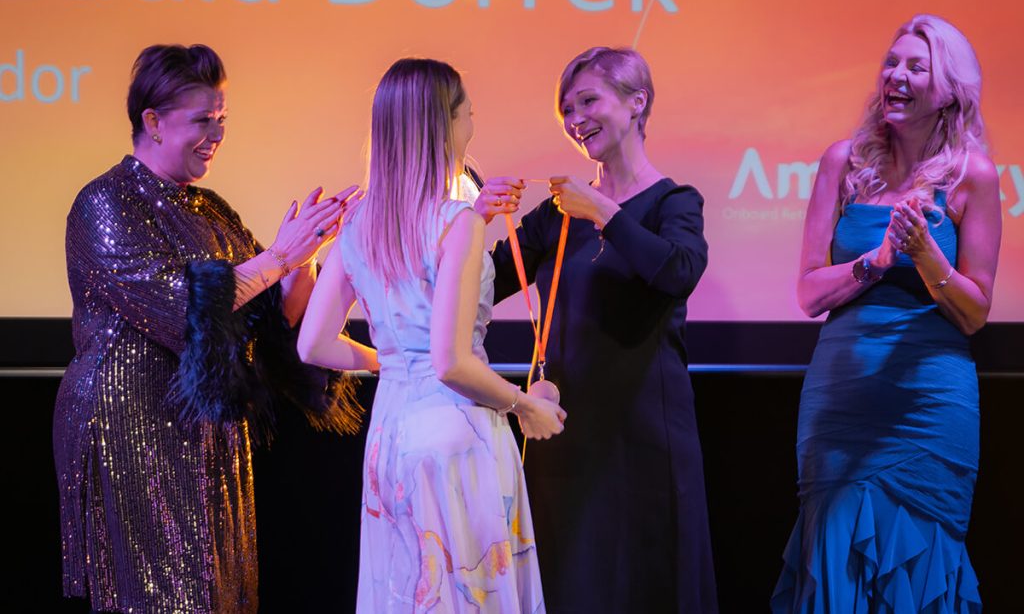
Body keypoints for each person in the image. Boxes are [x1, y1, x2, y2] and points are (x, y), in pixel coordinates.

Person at [53, 44, 362, 614]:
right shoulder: (105, 202)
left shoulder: (210, 209)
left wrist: (308, 256)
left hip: (204, 435)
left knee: (214, 592)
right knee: (159, 595)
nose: (216, 134)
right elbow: (184, 308)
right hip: (132, 427)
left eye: (221, 119)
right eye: (202, 120)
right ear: (152, 121)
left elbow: (272, 322)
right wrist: (279, 258)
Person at [297, 58, 566, 612]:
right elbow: (450, 362)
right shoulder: (456, 220)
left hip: (391, 432)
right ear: (445, 125)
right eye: (469, 113)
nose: (473, 124)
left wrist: (394, 363)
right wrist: (525, 406)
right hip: (456, 432)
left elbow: (313, 344)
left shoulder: (359, 222)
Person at [474, 47, 717, 613]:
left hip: (645, 433)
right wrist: (473, 218)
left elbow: (677, 272)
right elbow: (483, 283)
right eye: (567, 108)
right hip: (564, 427)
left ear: (637, 102)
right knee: (572, 583)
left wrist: (602, 211)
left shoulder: (674, 202)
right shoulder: (556, 212)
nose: (575, 118)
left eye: (588, 101)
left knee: (648, 584)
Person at [771, 15, 1001, 612]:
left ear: (947, 90)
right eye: (891, 63)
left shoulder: (972, 176)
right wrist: (873, 263)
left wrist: (925, 254)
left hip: (930, 400)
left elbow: (975, 312)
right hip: (844, 397)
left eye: (915, 67)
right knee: (834, 555)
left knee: (922, 567)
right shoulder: (842, 163)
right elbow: (808, 294)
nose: (896, 75)